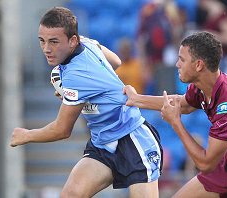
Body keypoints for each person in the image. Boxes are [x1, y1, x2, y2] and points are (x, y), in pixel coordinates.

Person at [10, 7, 162, 198]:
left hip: (133, 140)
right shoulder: (87, 42)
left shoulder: (75, 76)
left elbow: (61, 130)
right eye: (42, 41)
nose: (47, 49)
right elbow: (115, 61)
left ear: (72, 40)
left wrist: (26, 135)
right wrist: (90, 91)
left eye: (54, 42)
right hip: (102, 143)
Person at [123, 31, 227, 198]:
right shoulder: (201, 87)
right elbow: (182, 104)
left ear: (199, 65)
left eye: (182, 59)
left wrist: (176, 123)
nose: (177, 64)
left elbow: (205, 163)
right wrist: (136, 99)